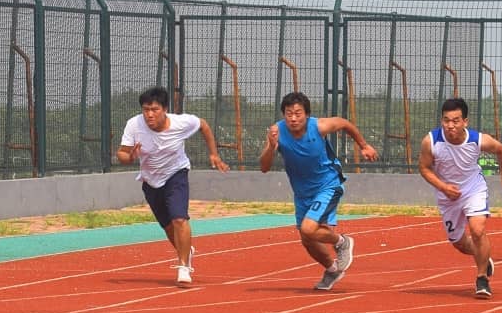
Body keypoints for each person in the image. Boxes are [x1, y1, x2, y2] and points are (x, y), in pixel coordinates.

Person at [258, 90, 379, 292]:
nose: (293, 118)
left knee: (308, 228)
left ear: (306, 115)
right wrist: (271, 147)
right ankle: (332, 269)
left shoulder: (319, 126)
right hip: (302, 193)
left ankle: (342, 242)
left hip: (328, 184)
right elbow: (264, 167)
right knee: (307, 239)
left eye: (298, 113)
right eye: (289, 114)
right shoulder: (276, 132)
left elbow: (344, 123)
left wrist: (364, 145)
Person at [117, 86, 228, 285]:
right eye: (146, 110)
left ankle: (184, 266)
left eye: (154, 109)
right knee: (168, 227)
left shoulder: (181, 123)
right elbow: (122, 154)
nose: (150, 115)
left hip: (176, 174)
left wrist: (214, 154)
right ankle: (186, 250)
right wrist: (130, 157)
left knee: (179, 219)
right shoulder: (134, 125)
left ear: (165, 109)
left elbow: (203, 125)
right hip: (151, 181)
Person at [419, 98, 502, 299]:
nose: (450, 125)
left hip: (473, 189)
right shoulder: (431, 141)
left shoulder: (477, 140)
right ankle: (483, 257)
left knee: (477, 230)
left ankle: (482, 278)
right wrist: (443, 187)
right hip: (447, 197)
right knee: (458, 243)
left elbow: (501, 151)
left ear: (465, 122)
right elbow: (424, 168)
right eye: (446, 120)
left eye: (455, 121)